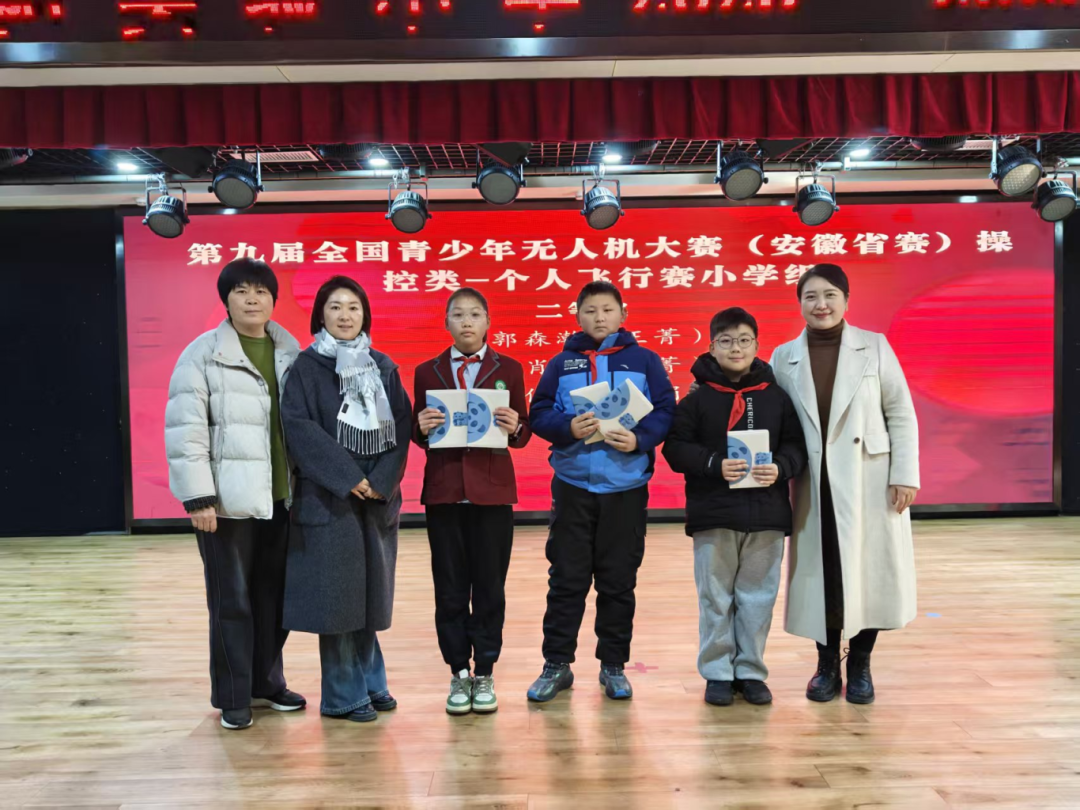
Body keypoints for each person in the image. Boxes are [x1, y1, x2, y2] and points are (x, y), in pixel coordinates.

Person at [164, 258, 306, 730]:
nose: (252, 299)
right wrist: (198, 497)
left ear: (273, 300)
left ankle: (266, 683)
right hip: (225, 505)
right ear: (226, 300)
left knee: (275, 599)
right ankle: (233, 695)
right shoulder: (202, 354)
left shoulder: (290, 351)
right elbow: (185, 429)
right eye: (241, 291)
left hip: (283, 499)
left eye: (261, 291)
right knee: (232, 602)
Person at [771, 264, 920, 705]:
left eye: (830, 295)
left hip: (868, 478)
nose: (821, 304)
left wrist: (904, 474)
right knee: (824, 575)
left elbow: (900, 412)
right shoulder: (783, 356)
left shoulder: (875, 346)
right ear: (800, 304)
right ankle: (826, 664)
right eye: (811, 296)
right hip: (813, 482)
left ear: (846, 300)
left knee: (867, 572)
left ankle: (860, 664)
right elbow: (775, 419)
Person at [527, 280, 676, 702]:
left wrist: (640, 439)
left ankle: (613, 665)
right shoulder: (561, 363)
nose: (599, 317)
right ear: (577, 316)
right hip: (572, 486)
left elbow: (666, 409)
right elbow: (539, 412)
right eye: (590, 310)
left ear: (623, 314)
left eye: (607, 309)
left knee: (618, 581)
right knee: (566, 579)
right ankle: (557, 664)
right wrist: (567, 427)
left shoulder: (645, 360)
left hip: (626, 488)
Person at [280, 276, 411, 723]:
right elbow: (299, 428)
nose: (344, 315)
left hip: (375, 499)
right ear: (320, 314)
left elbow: (402, 427)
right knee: (336, 602)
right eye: (335, 306)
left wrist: (381, 481)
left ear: (365, 315)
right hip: (328, 498)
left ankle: (371, 681)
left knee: (368, 599)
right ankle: (341, 694)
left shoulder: (382, 366)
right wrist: (349, 477)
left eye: (353, 307)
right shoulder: (306, 367)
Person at [663, 307, 806, 707]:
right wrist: (714, 464)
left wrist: (780, 468)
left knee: (758, 597)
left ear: (757, 346)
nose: (736, 348)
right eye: (725, 341)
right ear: (712, 347)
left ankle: (751, 671)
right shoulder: (696, 398)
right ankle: (717, 672)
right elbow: (675, 448)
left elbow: (797, 446)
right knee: (715, 597)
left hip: (767, 515)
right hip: (714, 513)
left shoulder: (777, 396)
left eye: (744, 340)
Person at [412, 287, 532, 715]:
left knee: (489, 588)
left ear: (487, 322)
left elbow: (522, 434)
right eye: (458, 314)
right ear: (446, 322)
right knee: (448, 588)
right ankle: (458, 671)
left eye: (475, 314)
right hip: (444, 493)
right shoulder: (426, 371)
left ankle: (485, 670)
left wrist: (516, 426)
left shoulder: (510, 369)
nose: (466, 321)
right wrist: (420, 426)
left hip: (491, 494)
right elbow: (418, 434)